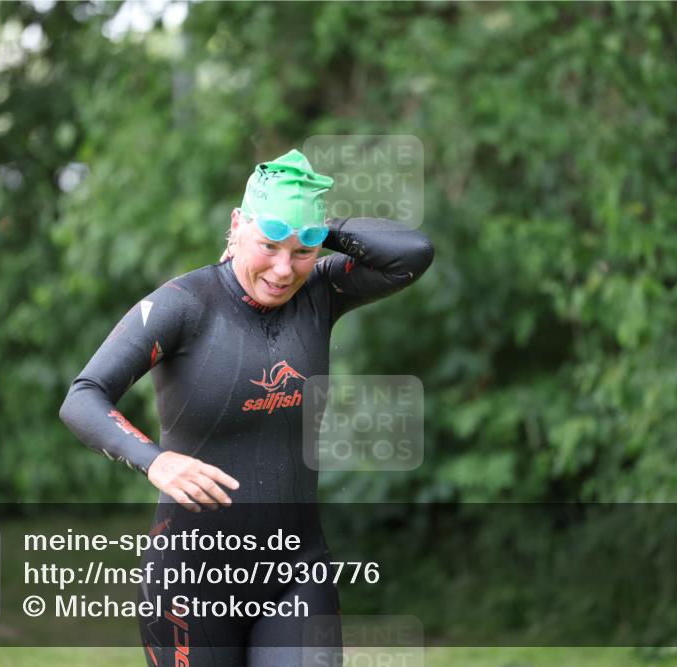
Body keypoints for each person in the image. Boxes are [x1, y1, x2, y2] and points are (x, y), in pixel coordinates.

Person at [59, 149, 434, 666]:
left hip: (297, 573)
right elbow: (84, 396)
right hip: (192, 580)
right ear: (237, 225)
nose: (284, 270)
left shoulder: (321, 293)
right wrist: (155, 460)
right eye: (268, 245)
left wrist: (324, 230)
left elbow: (412, 252)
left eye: (302, 251)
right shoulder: (184, 304)